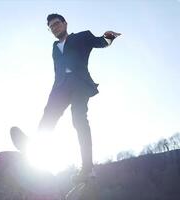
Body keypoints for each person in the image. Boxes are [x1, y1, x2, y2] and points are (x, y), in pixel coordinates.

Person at [38, 13, 121, 182]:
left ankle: (87, 168)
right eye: (51, 27)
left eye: (57, 24)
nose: (54, 28)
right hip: (60, 87)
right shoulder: (54, 47)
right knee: (48, 115)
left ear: (65, 23)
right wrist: (55, 90)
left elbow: (101, 42)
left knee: (79, 119)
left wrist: (109, 37)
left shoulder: (82, 37)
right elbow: (57, 70)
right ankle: (34, 149)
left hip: (79, 85)